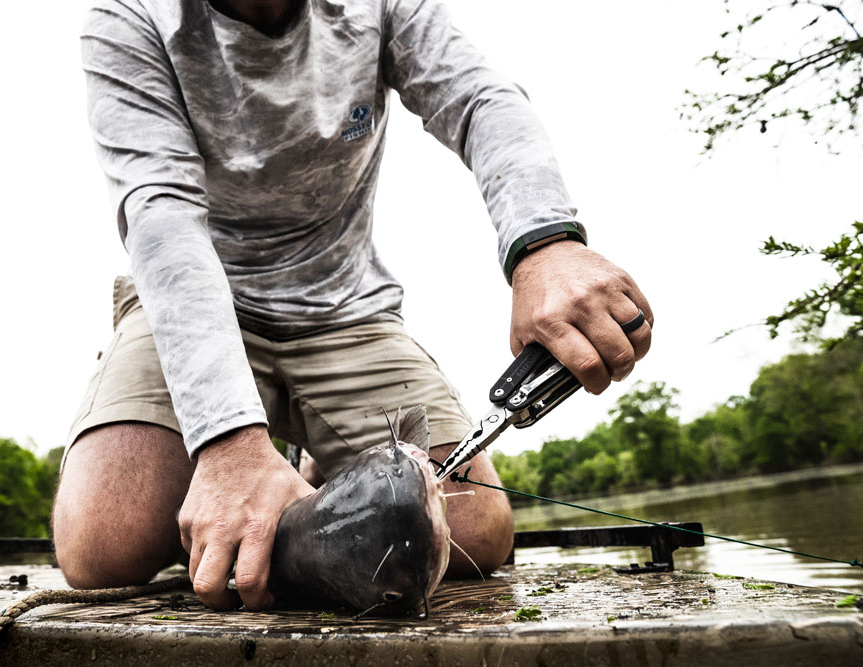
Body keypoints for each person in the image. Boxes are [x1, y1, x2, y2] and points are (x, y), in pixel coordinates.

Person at [52, 0, 653, 612]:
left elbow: (480, 100)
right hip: (194, 308)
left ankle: (314, 480)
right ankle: (255, 481)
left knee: (474, 533)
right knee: (106, 549)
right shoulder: (127, 15)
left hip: (346, 309)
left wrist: (545, 246)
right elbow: (160, 210)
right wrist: (228, 444)